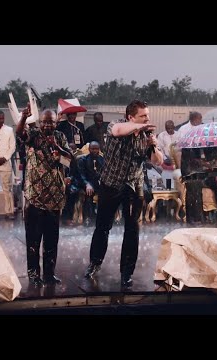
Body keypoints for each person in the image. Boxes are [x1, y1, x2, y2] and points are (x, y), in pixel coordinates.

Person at [84, 99, 163, 288]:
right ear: (130, 117)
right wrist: (136, 128)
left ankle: (126, 273)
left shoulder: (146, 135)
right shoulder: (115, 125)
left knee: (132, 230)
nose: (147, 120)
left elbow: (157, 161)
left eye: (148, 116)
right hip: (111, 184)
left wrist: (153, 144)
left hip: (133, 187)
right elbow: (118, 131)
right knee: (103, 227)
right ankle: (95, 263)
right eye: (143, 116)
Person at [16, 105, 72, 287]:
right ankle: (33, 275)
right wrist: (23, 118)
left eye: (51, 122)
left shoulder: (61, 137)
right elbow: (20, 134)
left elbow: (69, 160)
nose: (48, 125)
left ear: (56, 123)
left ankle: (49, 274)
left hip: (55, 198)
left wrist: (58, 150)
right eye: (45, 122)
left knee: (51, 241)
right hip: (35, 197)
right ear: (40, 123)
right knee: (33, 240)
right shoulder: (33, 135)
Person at [77, 141, 105, 226]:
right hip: (87, 183)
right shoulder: (83, 160)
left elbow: (104, 173)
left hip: (98, 183)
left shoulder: (102, 159)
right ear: (89, 149)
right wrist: (87, 184)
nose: (95, 151)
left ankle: (101, 219)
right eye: (93, 149)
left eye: (96, 149)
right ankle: (88, 218)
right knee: (88, 194)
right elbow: (81, 175)